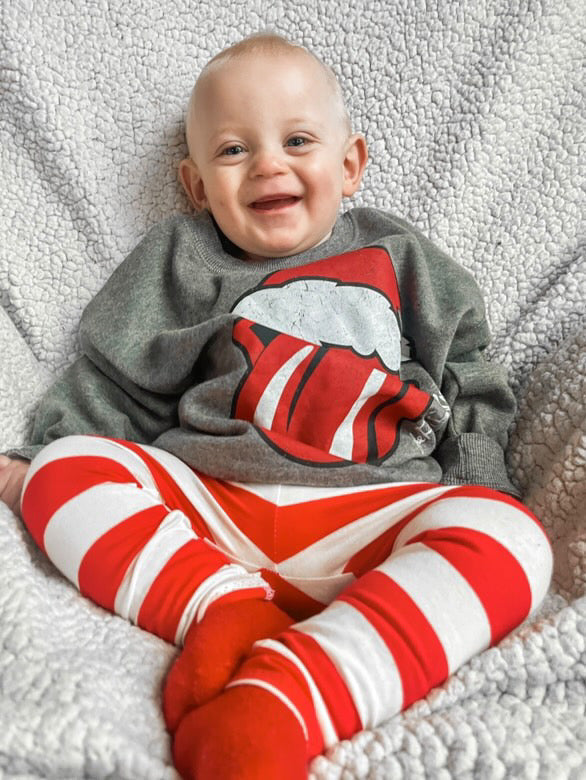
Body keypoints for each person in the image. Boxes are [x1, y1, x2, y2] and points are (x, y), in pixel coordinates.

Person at [0, 33, 552, 780]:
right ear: (196, 187)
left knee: (515, 540)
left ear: (350, 163)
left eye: (297, 140)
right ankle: (223, 610)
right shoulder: (183, 259)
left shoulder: (401, 256)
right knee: (65, 468)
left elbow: (468, 378)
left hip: (370, 518)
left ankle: (291, 694)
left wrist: (479, 483)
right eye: (233, 152)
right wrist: (37, 463)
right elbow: (114, 381)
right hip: (212, 512)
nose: (268, 164)